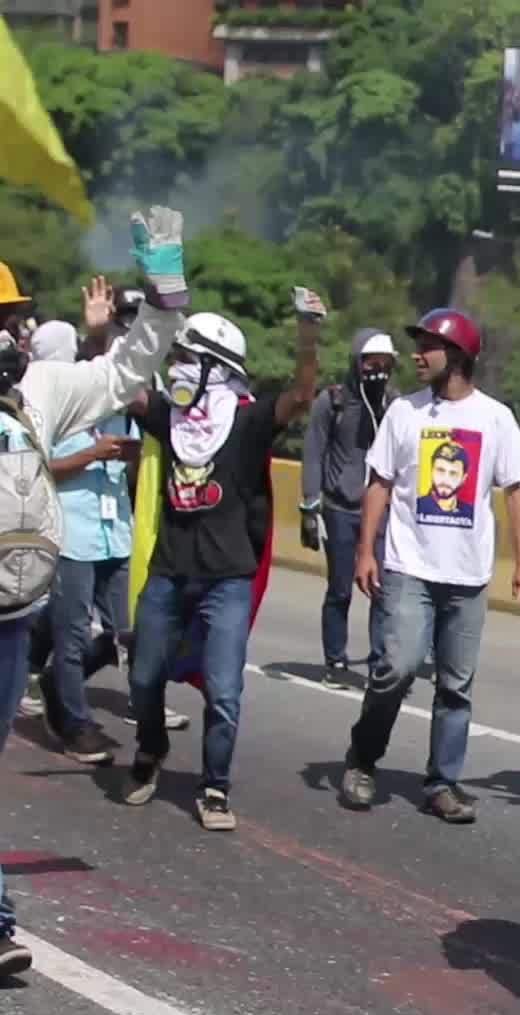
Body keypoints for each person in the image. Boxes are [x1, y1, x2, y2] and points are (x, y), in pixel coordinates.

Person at [0, 208, 191, 975]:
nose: (14, 335)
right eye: (3, 321)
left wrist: (164, 292)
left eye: (15, 320)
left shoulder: (38, 390)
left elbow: (123, 373)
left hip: (12, 613)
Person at [121, 284, 323, 830]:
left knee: (226, 691)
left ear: (216, 369)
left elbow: (301, 396)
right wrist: (131, 324)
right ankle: (150, 747)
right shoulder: (171, 419)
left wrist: (308, 335)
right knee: (142, 677)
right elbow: (126, 386)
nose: (179, 368)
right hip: (167, 572)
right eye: (177, 356)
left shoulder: (249, 421)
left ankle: (215, 787)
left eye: (188, 358)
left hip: (226, 580)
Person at [341, 308, 520, 823]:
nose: (415, 355)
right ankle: (363, 757)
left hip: (468, 576)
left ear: (456, 356)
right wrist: (366, 551)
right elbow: (379, 483)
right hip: (409, 566)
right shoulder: (404, 413)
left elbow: (516, 491)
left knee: (456, 686)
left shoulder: (495, 418)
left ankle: (442, 783)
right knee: (396, 668)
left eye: (427, 346)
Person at [39, 319, 139, 765]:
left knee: (126, 635)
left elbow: (132, 457)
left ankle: (52, 677)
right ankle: (74, 723)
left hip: (114, 529)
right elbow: (43, 467)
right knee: (74, 633)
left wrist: (131, 454)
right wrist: (92, 454)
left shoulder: (120, 406)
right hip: (73, 532)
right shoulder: (56, 405)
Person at [301, 329, 396, 688]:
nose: (378, 370)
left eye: (385, 364)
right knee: (340, 588)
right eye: (372, 363)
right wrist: (310, 506)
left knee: (382, 589)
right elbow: (313, 453)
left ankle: (379, 663)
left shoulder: (394, 406)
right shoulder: (333, 402)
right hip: (340, 509)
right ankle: (335, 660)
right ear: (357, 362)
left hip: (382, 513)